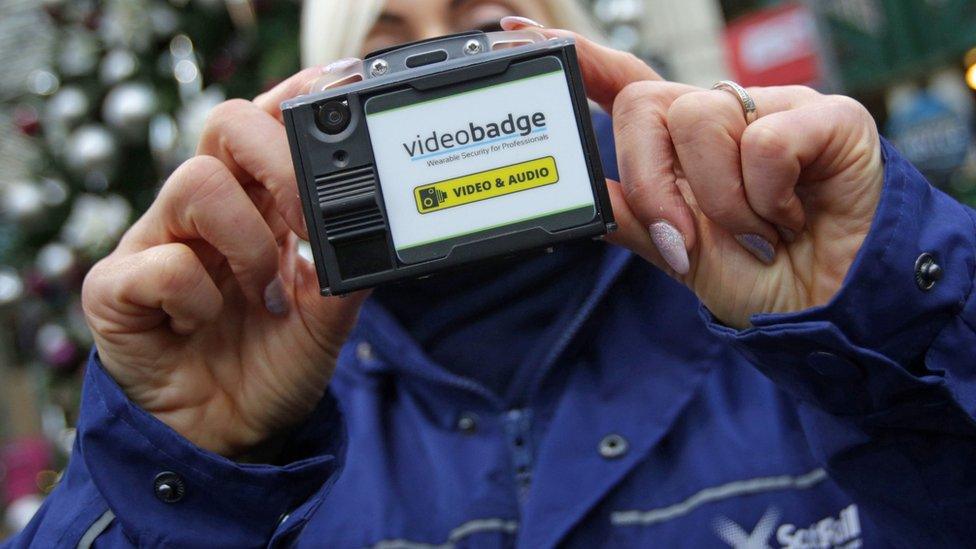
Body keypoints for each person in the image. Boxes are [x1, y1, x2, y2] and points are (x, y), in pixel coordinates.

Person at [7, 0, 976, 547]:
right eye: (385, 45)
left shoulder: (804, 330)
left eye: (485, 21)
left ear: (573, 56)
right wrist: (175, 476)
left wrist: (899, 316)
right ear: (308, 128)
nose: (437, 60)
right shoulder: (255, 433)